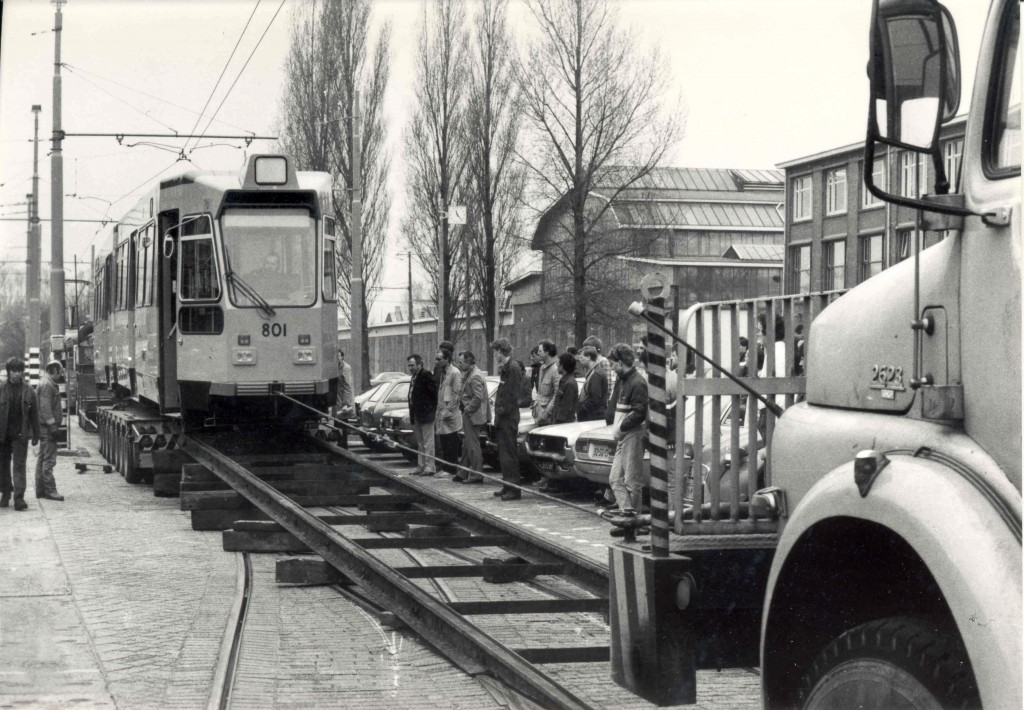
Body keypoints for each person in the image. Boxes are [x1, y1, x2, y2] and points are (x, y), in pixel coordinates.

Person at [605, 344, 649, 535]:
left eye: (613, 364)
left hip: (632, 434)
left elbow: (639, 412)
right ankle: (627, 516)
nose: (612, 368)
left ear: (621, 362)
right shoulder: (623, 380)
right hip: (623, 435)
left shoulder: (637, 382)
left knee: (632, 480)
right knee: (615, 478)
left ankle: (635, 525)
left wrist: (621, 428)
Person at [0, 358, 40, 511]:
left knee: (19, 466)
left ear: (22, 372)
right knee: (2, 466)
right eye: (13, 370)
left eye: (19, 371)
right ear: (8, 371)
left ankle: (19, 499)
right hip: (2, 435)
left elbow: (34, 414)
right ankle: (5, 494)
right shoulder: (1, 389)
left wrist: (36, 434)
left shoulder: (28, 390)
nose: (16, 374)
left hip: (20, 434)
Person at [490, 338, 522, 501]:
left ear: (501, 351)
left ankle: (514, 489)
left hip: (508, 419)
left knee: (509, 453)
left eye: (496, 352)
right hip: (503, 418)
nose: (495, 356)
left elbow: (511, 395)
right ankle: (507, 485)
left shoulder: (513, 368)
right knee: (504, 453)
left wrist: (501, 412)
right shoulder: (506, 368)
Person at [454, 350, 488, 484]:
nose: (459, 365)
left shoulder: (475, 376)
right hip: (470, 414)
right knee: (466, 444)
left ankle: (476, 474)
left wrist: (467, 410)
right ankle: (462, 472)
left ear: (468, 362)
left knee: (473, 444)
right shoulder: (469, 374)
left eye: (461, 362)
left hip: (472, 415)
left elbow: (478, 397)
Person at [35, 360, 65, 501]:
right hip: (48, 429)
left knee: (42, 458)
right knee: (49, 460)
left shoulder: (46, 383)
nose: (61, 375)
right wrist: (53, 427)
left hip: (44, 427)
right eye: (60, 372)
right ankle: (50, 490)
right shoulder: (48, 385)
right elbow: (46, 409)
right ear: (54, 371)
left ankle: (40, 489)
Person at [406, 354, 437, 476]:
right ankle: (421, 465)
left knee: (428, 442)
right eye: (409, 365)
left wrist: (429, 409)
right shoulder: (414, 377)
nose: (410, 368)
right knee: (420, 442)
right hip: (417, 414)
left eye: (412, 365)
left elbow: (434, 394)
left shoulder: (426, 375)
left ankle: (430, 467)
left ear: (419, 364)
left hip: (426, 414)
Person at [434, 348, 463, 475]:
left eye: (439, 359)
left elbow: (456, 393)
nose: (437, 361)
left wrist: (448, 409)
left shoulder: (454, 373)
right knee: (444, 441)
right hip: (443, 411)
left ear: (447, 359)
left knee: (451, 441)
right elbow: (446, 391)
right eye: (436, 359)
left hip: (451, 414)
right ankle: (446, 467)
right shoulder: (443, 372)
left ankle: (451, 469)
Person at [577, 346, 609, 422]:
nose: (579, 360)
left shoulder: (596, 374)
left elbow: (594, 400)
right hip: (592, 415)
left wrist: (580, 409)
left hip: (592, 417)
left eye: (581, 357)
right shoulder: (594, 372)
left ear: (588, 357)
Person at [532, 339, 559, 426]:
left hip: (548, 419)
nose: (538, 353)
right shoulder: (542, 367)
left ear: (547, 352)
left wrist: (547, 412)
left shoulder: (556, 369)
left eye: (540, 351)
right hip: (540, 417)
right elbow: (540, 392)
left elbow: (556, 394)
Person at [333, 349, 354, 449]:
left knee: (343, 423)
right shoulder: (335, 368)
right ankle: (340, 445)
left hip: (342, 401)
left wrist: (346, 403)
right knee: (337, 423)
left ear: (342, 357)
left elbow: (347, 386)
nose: (337, 358)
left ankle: (344, 446)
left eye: (338, 356)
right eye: (335, 356)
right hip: (337, 400)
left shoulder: (345, 368)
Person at [550, 352, 579, 425]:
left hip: (563, 425)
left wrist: (556, 424)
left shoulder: (569, 383)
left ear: (562, 366)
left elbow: (565, 410)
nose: (557, 366)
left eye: (558, 364)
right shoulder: (564, 380)